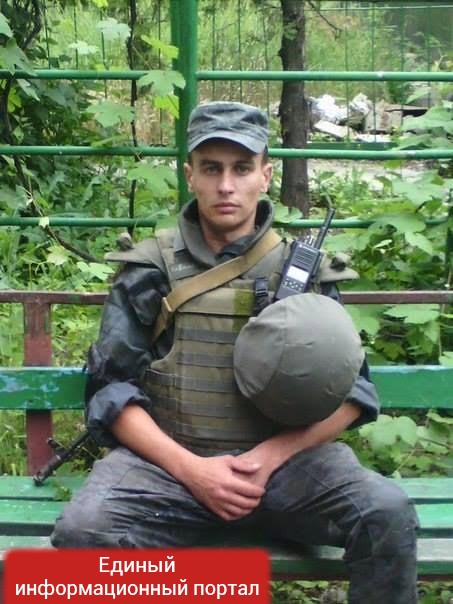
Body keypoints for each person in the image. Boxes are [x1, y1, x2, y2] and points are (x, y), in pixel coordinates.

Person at [51, 101, 418, 603]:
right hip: (169, 470)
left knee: (385, 514)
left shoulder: (303, 271)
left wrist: (267, 459)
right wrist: (194, 472)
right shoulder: (149, 269)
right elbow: (110, 391)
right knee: (85, 532)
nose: (226, 185)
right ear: (191, 176)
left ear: (265, 175)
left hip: (285, 469)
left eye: (242, 168)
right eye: (211, 169)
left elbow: (353, 392)